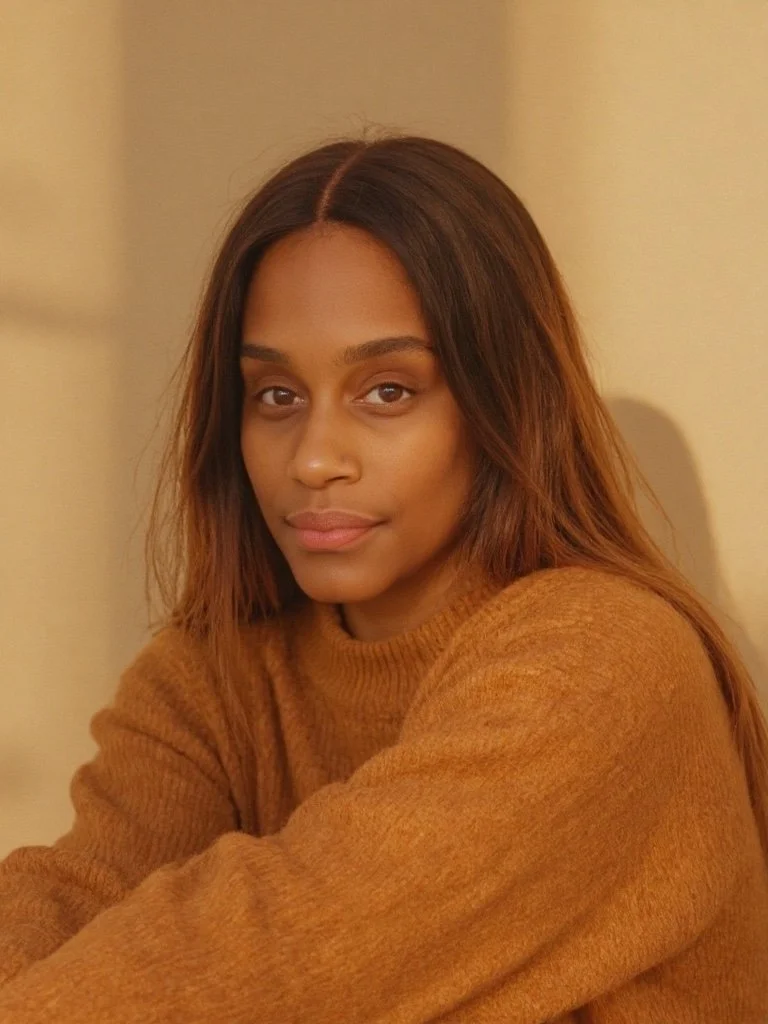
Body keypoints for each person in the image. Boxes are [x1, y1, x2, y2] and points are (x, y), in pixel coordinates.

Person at [0, 131, 766, 1023]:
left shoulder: (605, 659)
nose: (315, 457)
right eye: (276, 396)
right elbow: (72, 901)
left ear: (501, 405)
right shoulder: (212, 674)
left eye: (388, 391)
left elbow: (281, 960)